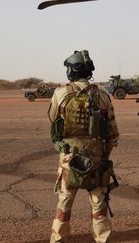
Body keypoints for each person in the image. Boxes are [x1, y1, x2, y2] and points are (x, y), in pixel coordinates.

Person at [48, 50, 119, 243]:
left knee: (64, 201)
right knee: (98, 203)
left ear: (71, 71)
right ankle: (101, 239)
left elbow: (54, 122)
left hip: (69, 159)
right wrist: (102, 155)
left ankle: (58, 239)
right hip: (96, 158)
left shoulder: (61, 93)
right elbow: (113, 134)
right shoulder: (103, 95)